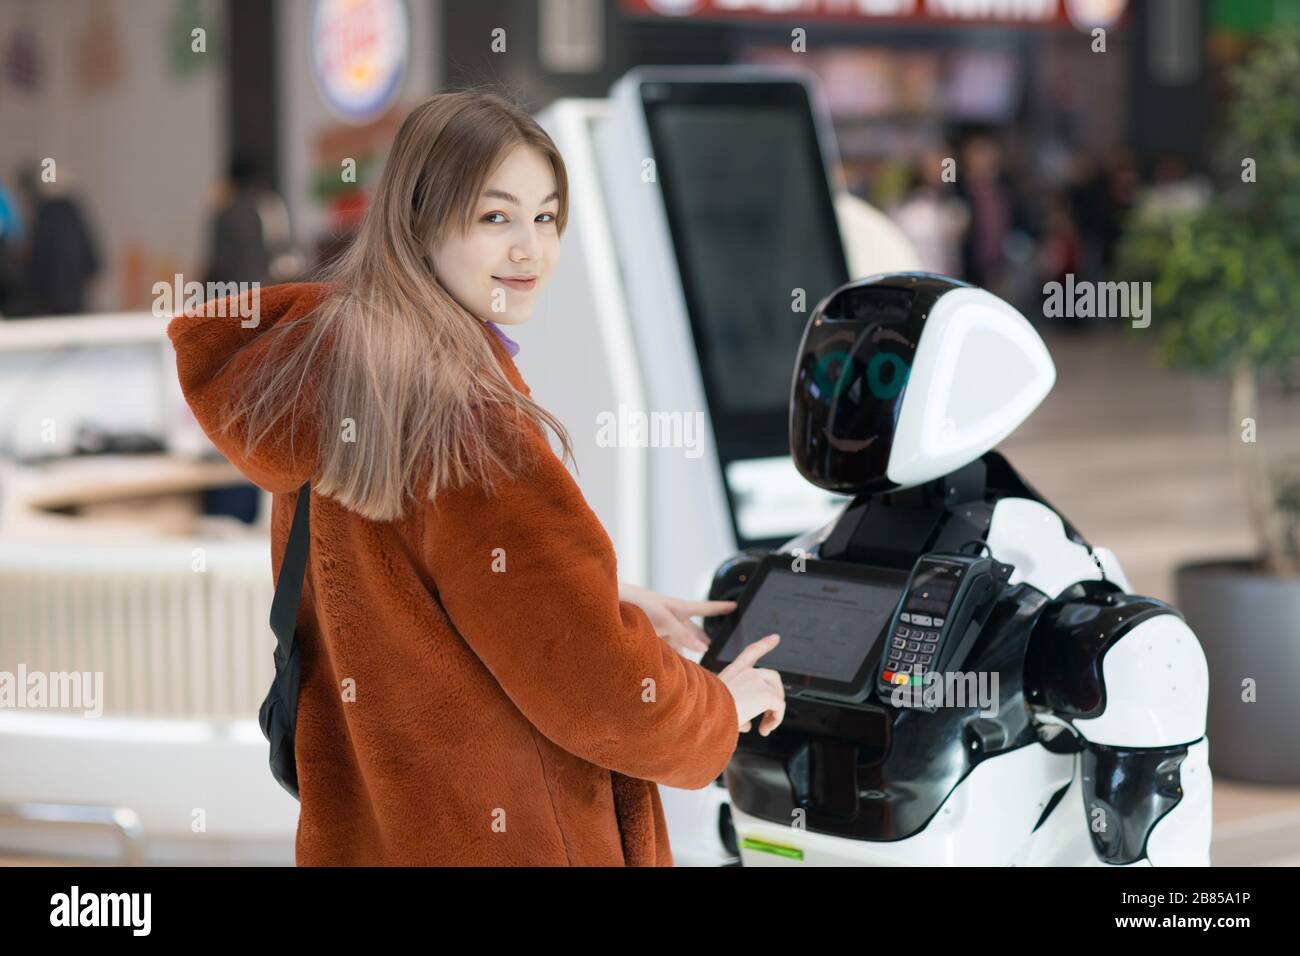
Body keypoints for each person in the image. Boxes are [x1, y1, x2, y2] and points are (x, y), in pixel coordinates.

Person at [166, 90, 786, 866]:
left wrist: (601, 601)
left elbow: (400, 588)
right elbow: (600, 692)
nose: (530, 248)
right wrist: (719, 706)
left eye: (547, 216)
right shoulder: (467, 420)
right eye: (496, 218)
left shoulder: (345, 377)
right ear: (421, 222)